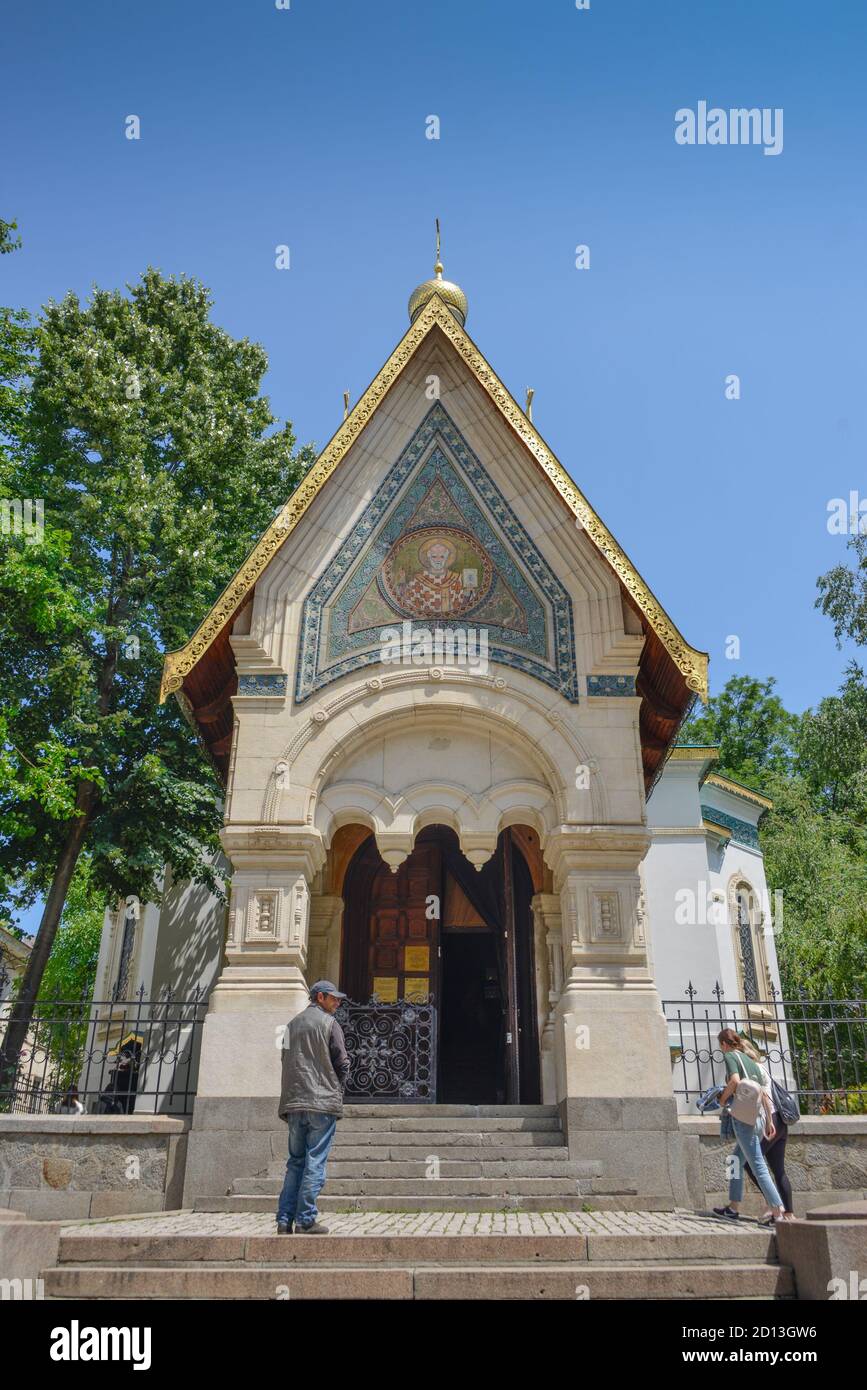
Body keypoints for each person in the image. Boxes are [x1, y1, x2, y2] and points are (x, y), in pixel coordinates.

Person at [276, 980, 350, 1235]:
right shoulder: (330, 1024)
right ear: (320, 997)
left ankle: (284, 1220)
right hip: (321, 1103)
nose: (337, 1002)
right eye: (333, 998)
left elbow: (285, 1060)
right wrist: (337, 1091)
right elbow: (342, 1061)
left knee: (295, 1162)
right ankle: (306, 1219)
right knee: (315, 1161)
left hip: (295, 1103)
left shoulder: (290, 1025)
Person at [712, 1028, 791, 1224]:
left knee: (758, 1166)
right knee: (735, 1160)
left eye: (720, 1045)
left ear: (723, 1044)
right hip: (759, 1118)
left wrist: (722, 1099)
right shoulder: (752, 1062)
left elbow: (735, 1081)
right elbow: (763, 1092)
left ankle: (777, 1210)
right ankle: (733, 1207)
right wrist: (770, 1122)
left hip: (743, 1118)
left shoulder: (731, 1056)